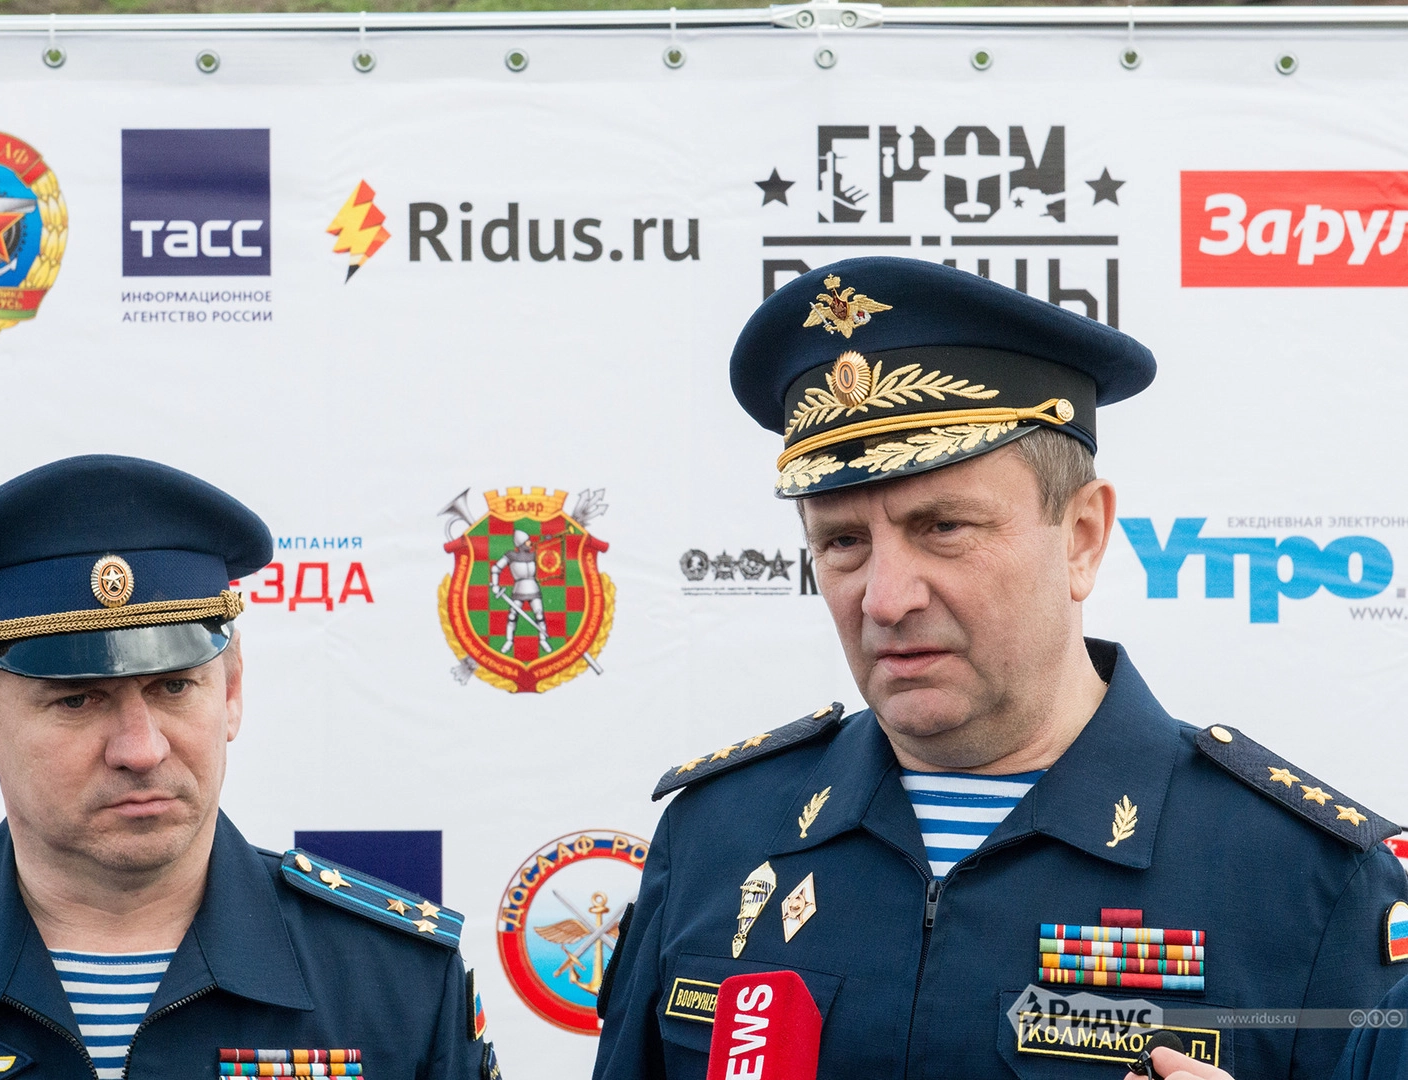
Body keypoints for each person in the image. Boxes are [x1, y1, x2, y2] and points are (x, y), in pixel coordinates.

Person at [591, 258, 1408, 1079]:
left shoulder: (1312, 882)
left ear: (1082, 537)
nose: (885, 599)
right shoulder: (714, 837)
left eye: (944, 527)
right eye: (843, 541)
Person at [0, 455, 498, 1080]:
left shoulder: (397, 984)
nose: (141, 748)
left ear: (231, 693)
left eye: (174, 687)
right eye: (77, 699)